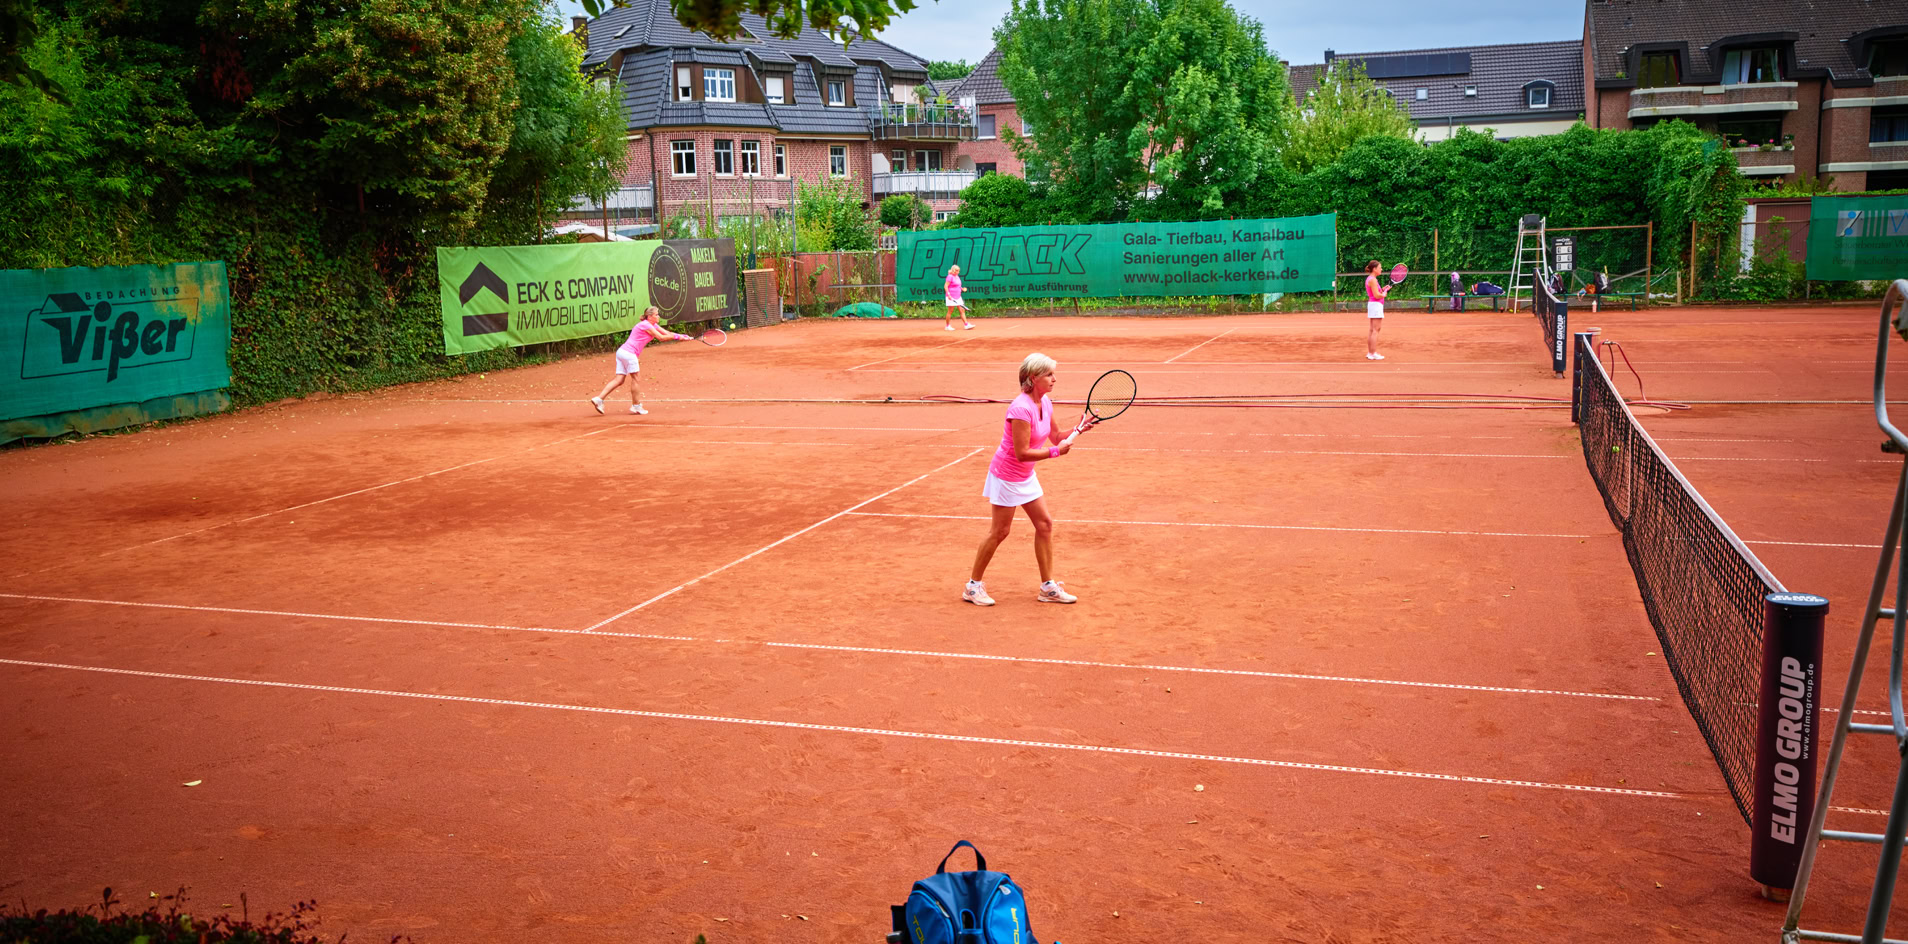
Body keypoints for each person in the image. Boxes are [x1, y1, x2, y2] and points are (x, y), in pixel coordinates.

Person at [964, 353, 1093, 606]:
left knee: (1044, 524)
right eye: (1049, 374)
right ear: (1033, 378)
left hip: (1025, 475)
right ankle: (972, 587)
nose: (1054, 379)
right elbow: (1022, 453)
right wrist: (1055, 453)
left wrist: (1078, 428)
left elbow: (1056, 436)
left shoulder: (1045, 402)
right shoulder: (1021, 409)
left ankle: (1048, 588)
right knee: (1000, 531)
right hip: (1007, 475)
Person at [590, 306, 688, 415]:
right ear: (649, 317)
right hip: (629, 354)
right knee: (636, 379)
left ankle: (599, 399)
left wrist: (682, 336)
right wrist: (677, 337)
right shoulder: (646, 325)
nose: (658, 316)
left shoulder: (653, 325)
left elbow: (666, 333)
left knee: (619, 380)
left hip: (622, 352)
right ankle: (636, 406)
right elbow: (661, 337)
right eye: (656, 314)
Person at [1363, 260, 1388, 360]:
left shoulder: (1371, 279)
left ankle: (1371, 353)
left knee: (1372, 330)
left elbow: (1376, 292)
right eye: (1380, 267)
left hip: (1373, 305)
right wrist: (1383, 294)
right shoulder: (1372, 280)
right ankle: (1373, 353)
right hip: (1376, 305)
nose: (1381, 269)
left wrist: (1383, 289)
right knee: (1376, 330)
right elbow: (1377, 295)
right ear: (1374, 269)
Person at [944, 264, 975, 331]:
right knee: (950, 311)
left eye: (958, 271)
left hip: (958, 296)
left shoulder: (957, 276)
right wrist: (948, 294)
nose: (958, 272)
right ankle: (947, 326)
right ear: (953, 270)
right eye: (956, 270)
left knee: (962, 310)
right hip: (951, 296)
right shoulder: (950, 276)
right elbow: (946, 286)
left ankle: (966, 325)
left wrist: (962, 289)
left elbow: (957, 285)